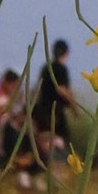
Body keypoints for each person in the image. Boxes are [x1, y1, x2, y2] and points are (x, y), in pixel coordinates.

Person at [30, 40, 79, 168]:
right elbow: (61, 89)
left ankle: (47, 166)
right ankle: (57, 167)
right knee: (59, 140)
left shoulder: (46, 68)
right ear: (67, 53)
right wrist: (74, 107)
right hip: (54, 111)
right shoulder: (61, 68)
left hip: (42, 109)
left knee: (46, 139)